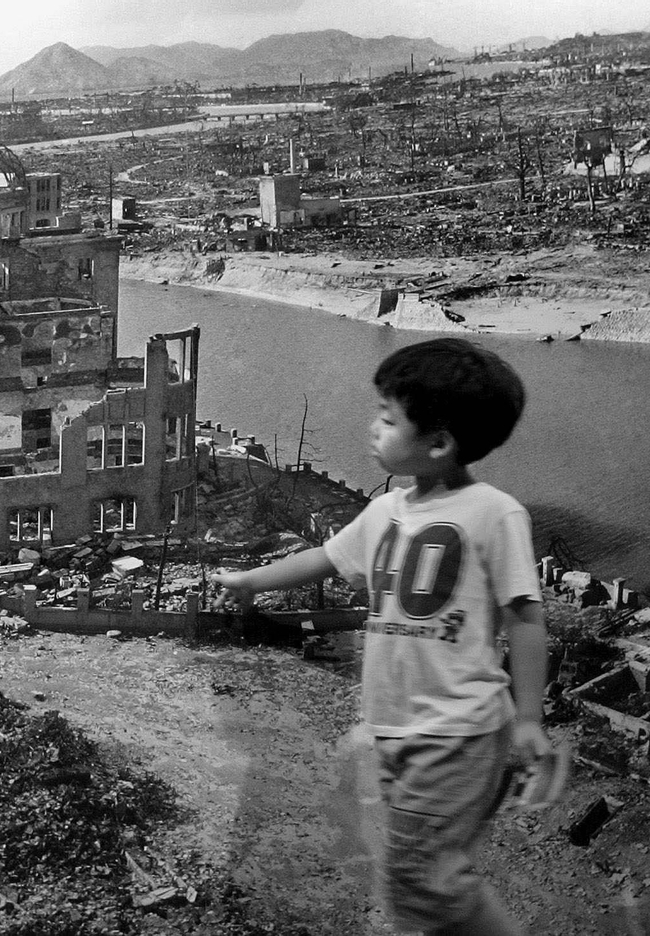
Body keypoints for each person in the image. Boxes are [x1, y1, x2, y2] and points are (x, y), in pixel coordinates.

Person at [212, 337, 549, 936]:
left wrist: (529, 719)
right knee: (417, 873)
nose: (372, 428)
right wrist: (251, 581)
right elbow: (324, 557)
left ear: (440, 442)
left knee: (423, 877)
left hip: (459, 730)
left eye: (388, 419)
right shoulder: (388, 510)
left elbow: (525, 618)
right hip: (397, 729)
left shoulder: (494, 514)